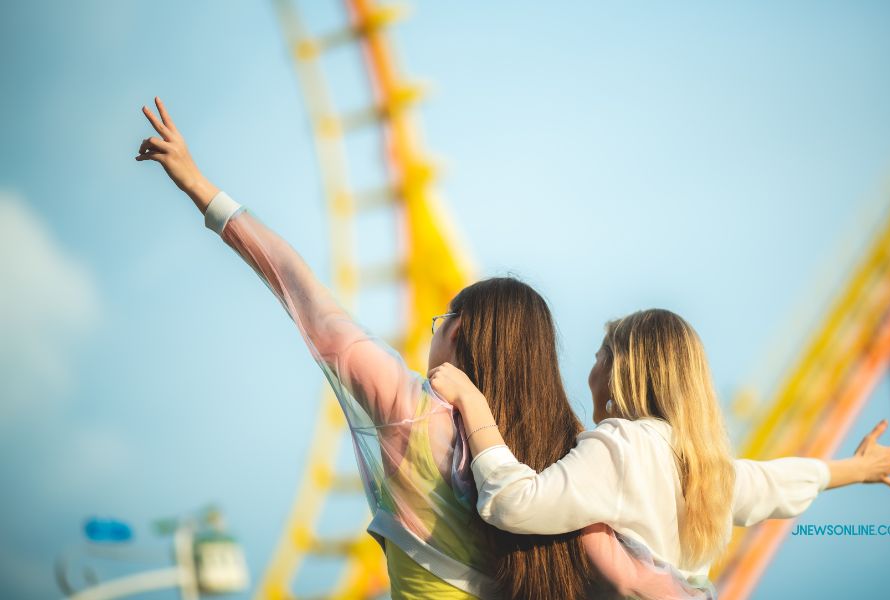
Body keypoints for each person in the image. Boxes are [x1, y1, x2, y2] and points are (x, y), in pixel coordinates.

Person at [135, 97, 709, 600]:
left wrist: (198, 186)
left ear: (458, 331)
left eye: (441, 320)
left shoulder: (407, 410)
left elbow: (299, 288)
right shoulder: (561, 454)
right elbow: (635, 578)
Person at [428, 308, 890, 592]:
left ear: (622, 370)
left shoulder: (621, 448)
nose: (591, 371)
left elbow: (514, 503)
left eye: (600, 357)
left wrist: (473, 402)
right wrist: (856, 468)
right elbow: (775, 483)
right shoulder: (702, 466)